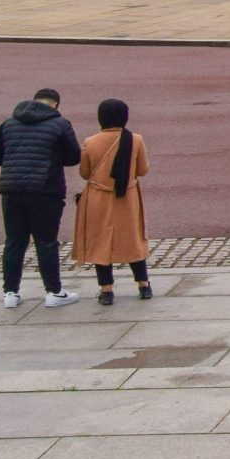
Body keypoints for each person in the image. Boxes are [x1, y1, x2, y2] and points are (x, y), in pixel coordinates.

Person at [0, 87, 81, 308]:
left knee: (14, 241)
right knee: (46, 242)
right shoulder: (60, 124)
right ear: (55, 105)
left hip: (11, 189)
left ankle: (10, 293)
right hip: (45, 190)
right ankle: (54, 292)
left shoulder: (9, 123)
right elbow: (73, 157)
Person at [74, 98, 152, 306]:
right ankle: (143, 284)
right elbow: (143, 170)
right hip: (127, 198)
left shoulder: (91, 142)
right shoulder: (135, 139)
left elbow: (84, 173)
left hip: (99, 198)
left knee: (101, 242)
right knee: (133, 239)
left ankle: (106, 289)